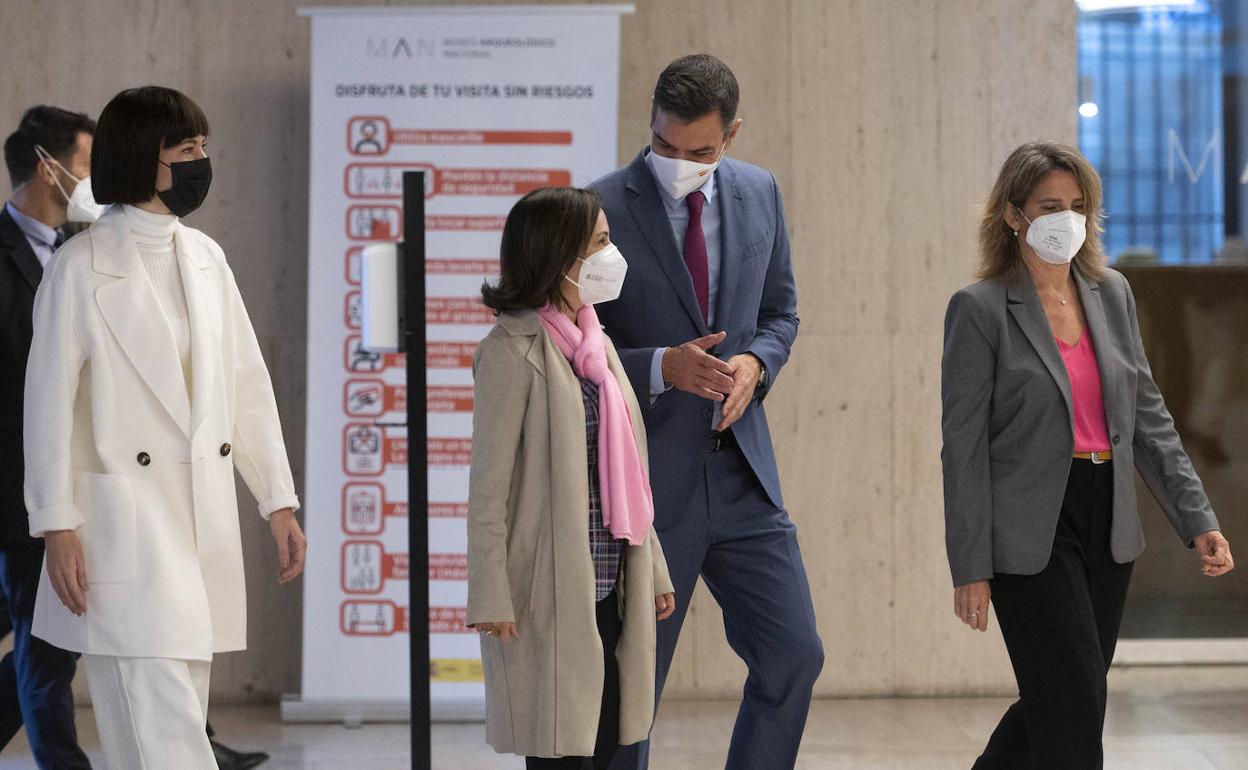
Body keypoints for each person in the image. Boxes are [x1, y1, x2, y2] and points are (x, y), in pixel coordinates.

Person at [22, 85, 307, 769]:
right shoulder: (79, 267)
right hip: (120, 536)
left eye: (203, 147)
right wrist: (56, 525)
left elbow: (247, 386)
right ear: (144, 158)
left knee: (152, 742)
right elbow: (48, 405)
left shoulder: (206, 258)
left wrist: (278, 500)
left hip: (196, 531)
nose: (202, 160)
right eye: (187, 149)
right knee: (169, 744)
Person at [941, 141, 1235, 768]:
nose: (1067, 219)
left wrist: (1197, 518)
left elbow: (1149, 419)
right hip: (1028, 531)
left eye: (1078, 206)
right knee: (1072, 713)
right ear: (1014, 214)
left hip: (1107, 520)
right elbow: (962, 449)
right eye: (1051, 206)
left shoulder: (1113, 294)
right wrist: (969, 563)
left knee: (1065, 698)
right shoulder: (981, 309)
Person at [591, 54, 823, 770]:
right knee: (632, 689)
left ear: (732, 135)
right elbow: (570, 348)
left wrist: (758, 362)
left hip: (743, 476)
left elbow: (780, 312)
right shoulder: (598, 204)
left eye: (700, 151)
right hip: (647, 486)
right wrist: (661, 365)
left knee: (794, 655)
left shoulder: (761, 193)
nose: (678, 162)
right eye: (665, 145)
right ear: (650, 123)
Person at [467, 186, 676, 769]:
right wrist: (490, 592)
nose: (614, 256)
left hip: (614, 580)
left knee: (611, 744)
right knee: (561, 752)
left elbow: (630, 471)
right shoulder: (510, 352)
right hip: (548, 588)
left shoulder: (596, 342)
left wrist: (653, 565)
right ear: (561, 257)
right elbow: (488, 487)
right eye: (602, 243)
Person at [0, 104, 97, 770]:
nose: (95, 182)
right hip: (14, 490)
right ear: (48, 165)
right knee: (46, 643)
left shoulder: (83, 253)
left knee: (54, 641)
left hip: (79, 484)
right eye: (88, 167)